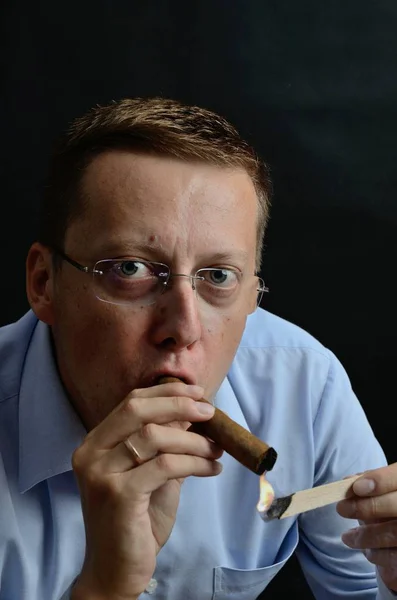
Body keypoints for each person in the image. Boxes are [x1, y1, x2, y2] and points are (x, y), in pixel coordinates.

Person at [0, 97, 396, 600]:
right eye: (130, 269)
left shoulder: (301, 384)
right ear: (43, 284)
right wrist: (105, 588)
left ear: (253, 292)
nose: (184, 328)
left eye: (218, 276)